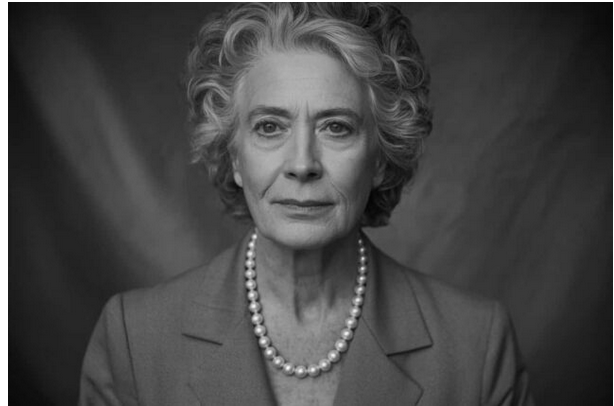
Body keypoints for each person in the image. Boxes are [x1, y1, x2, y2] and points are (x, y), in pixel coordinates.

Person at [79, 3, 533, 405]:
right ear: (234, 157)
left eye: (336, 127)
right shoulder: (133, 339)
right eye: (269, 127)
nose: (302, 164)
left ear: (379, 159)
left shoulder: (477, 345)